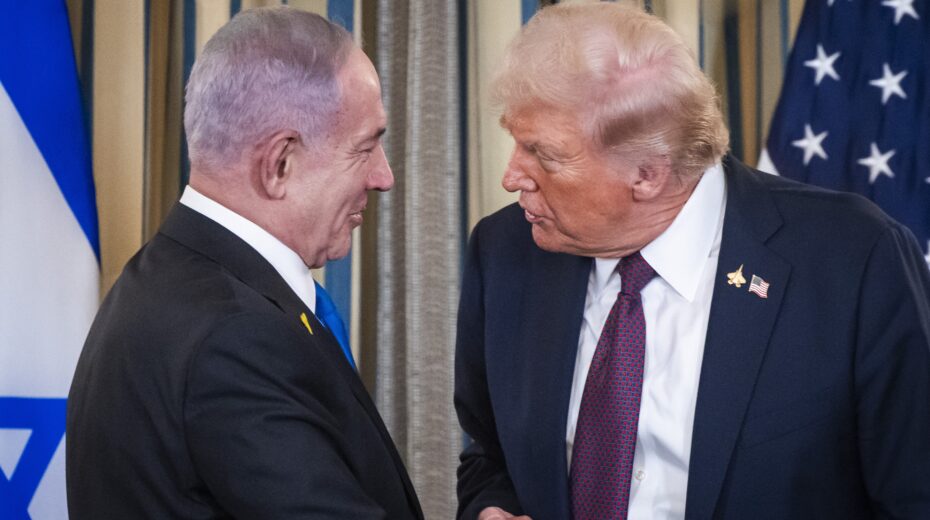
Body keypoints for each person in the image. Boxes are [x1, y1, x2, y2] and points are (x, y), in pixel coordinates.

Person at [454, 3, 930, 520]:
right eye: (515, 142)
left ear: (648, 174)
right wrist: (489, 509)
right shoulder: (504, 252)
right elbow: (488, 455)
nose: (512, 177)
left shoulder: (854, 261)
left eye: (542, 154)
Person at [66, 7, 422, 519]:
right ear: (279, 164)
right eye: (365, 147)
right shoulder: (235, 339)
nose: (383, 176)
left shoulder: (165, 276)